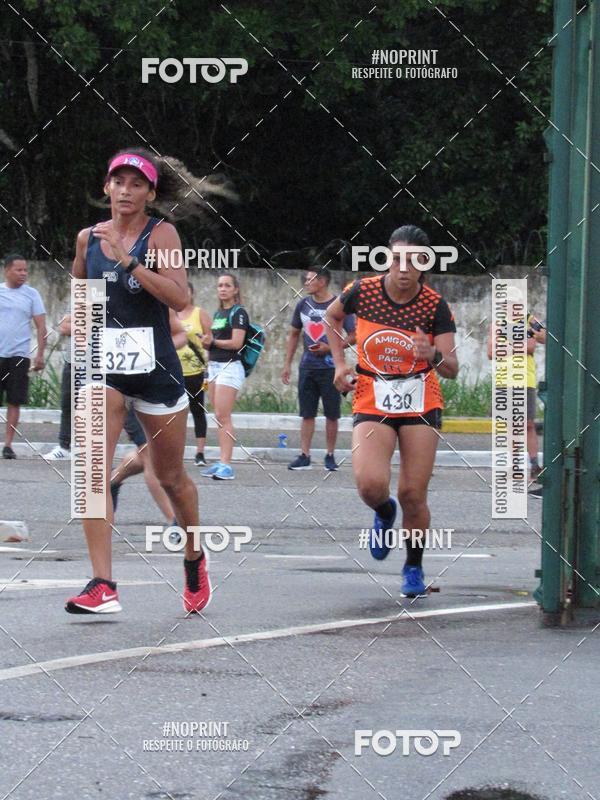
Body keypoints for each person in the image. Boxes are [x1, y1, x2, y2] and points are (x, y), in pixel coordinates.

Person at [65, 147, 233, 615]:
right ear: (106, 188)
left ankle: (194, 557)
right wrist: (79, 321)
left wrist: (130, 263)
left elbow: (180, 300)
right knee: (90, 473)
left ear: (150, 193)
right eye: (118, 181)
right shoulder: (87, 239)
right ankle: (103, 584)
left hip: (157, 371)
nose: (125, 190)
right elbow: (82, 290)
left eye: (136, 183)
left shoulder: (162, 235)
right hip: (105, 371)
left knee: (172, 476)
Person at [326, 225, 458, 598]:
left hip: (420, 400)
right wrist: (339, 364)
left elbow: (452, 367)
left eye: (414, 260)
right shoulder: (362, 291)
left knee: (414, 493)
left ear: (425, 264)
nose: (403, 267)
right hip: (372, 394)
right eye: (396, 258)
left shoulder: (435, 305)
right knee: (369, 484)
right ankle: (384, 511)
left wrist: (430, 353)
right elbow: (331, 318)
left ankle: (413, 565)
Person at [110, 309, 188, 522]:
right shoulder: (101, 289)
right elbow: (68, 325)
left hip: (153, 387)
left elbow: (181, 334)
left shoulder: (155, 296)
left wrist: (159, 350)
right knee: (149, 455)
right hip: (118, 390)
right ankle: (174, 520)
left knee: (154, 455)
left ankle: (114, 480)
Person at [282, 267, 356, 471]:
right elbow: (294, 334)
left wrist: (331, 347)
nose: (305, 283)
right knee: (307, 413)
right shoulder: (302, 305)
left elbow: (354, 334)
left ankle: (330, 455)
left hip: (332, 368)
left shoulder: (339, 305)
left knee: (332, 414)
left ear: (322, 281)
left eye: (309, 280)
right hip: (307, 367)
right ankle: (304, 455)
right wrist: (287, 363)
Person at [201, 274, 249, 481]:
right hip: (214, 366)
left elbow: (236, 343)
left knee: (223, 415)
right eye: (220, 285)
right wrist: (207, 345)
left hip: (229, 366)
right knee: (217, 415)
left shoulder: (239, 313)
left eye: (227, 286)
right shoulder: (219, 313)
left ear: (235, 290)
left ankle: (227, 465)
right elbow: (214, 341)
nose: (223, 289)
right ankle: (221, 461)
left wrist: (212, 342)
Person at [0, 254, 46, 459]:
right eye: (19, 270)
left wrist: (40, 355)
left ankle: (8, 445)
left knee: (14, 401)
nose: (23, 274)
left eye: (25, 270)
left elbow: (41, 326)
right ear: (7, 270)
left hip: (19, 356)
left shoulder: (32, 294)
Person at [487, 310, 540, 481]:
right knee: (510, 427)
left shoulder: (529, 320)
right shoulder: (498, 323)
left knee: (528, 424)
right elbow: (490, 352)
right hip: (504, 380)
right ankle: (514, 465)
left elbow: (532, 345)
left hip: (525, 380)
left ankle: (534, 465)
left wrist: (505, 347)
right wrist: (519, 347)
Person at [177, 281, 212, 466]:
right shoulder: (170, 314)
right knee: (175, 414)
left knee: (198, 410)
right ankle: (176, 452)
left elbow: (210, 340)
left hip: (196, 371)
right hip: (174, 371)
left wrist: (209, 367)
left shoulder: (200, 313)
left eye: (186, 291)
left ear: (191, 293)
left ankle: (200, 453)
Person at [43, 312, 73, 461]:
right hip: (74, 360)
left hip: (97, 363)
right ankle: (64, 447)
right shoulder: (79, 300)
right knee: (67, 403)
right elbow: (63, 327)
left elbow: (103, 327)